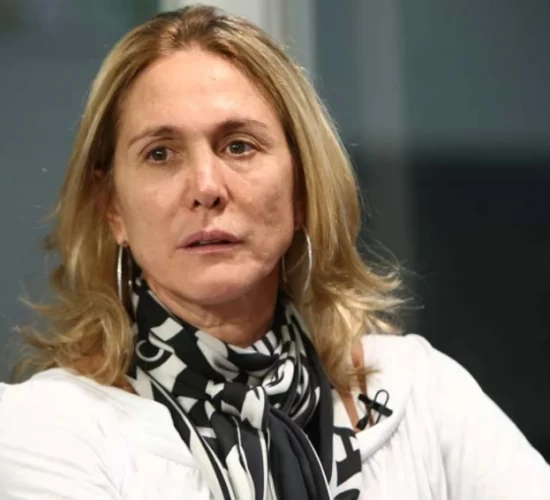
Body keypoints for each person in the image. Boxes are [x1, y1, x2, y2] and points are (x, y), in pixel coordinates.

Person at [0, 5, 548, 500]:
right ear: (114, 208)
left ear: (303, 189)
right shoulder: (46, 429)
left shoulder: (419, 392)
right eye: (161, 154)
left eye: (238, 145)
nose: (206, 187)